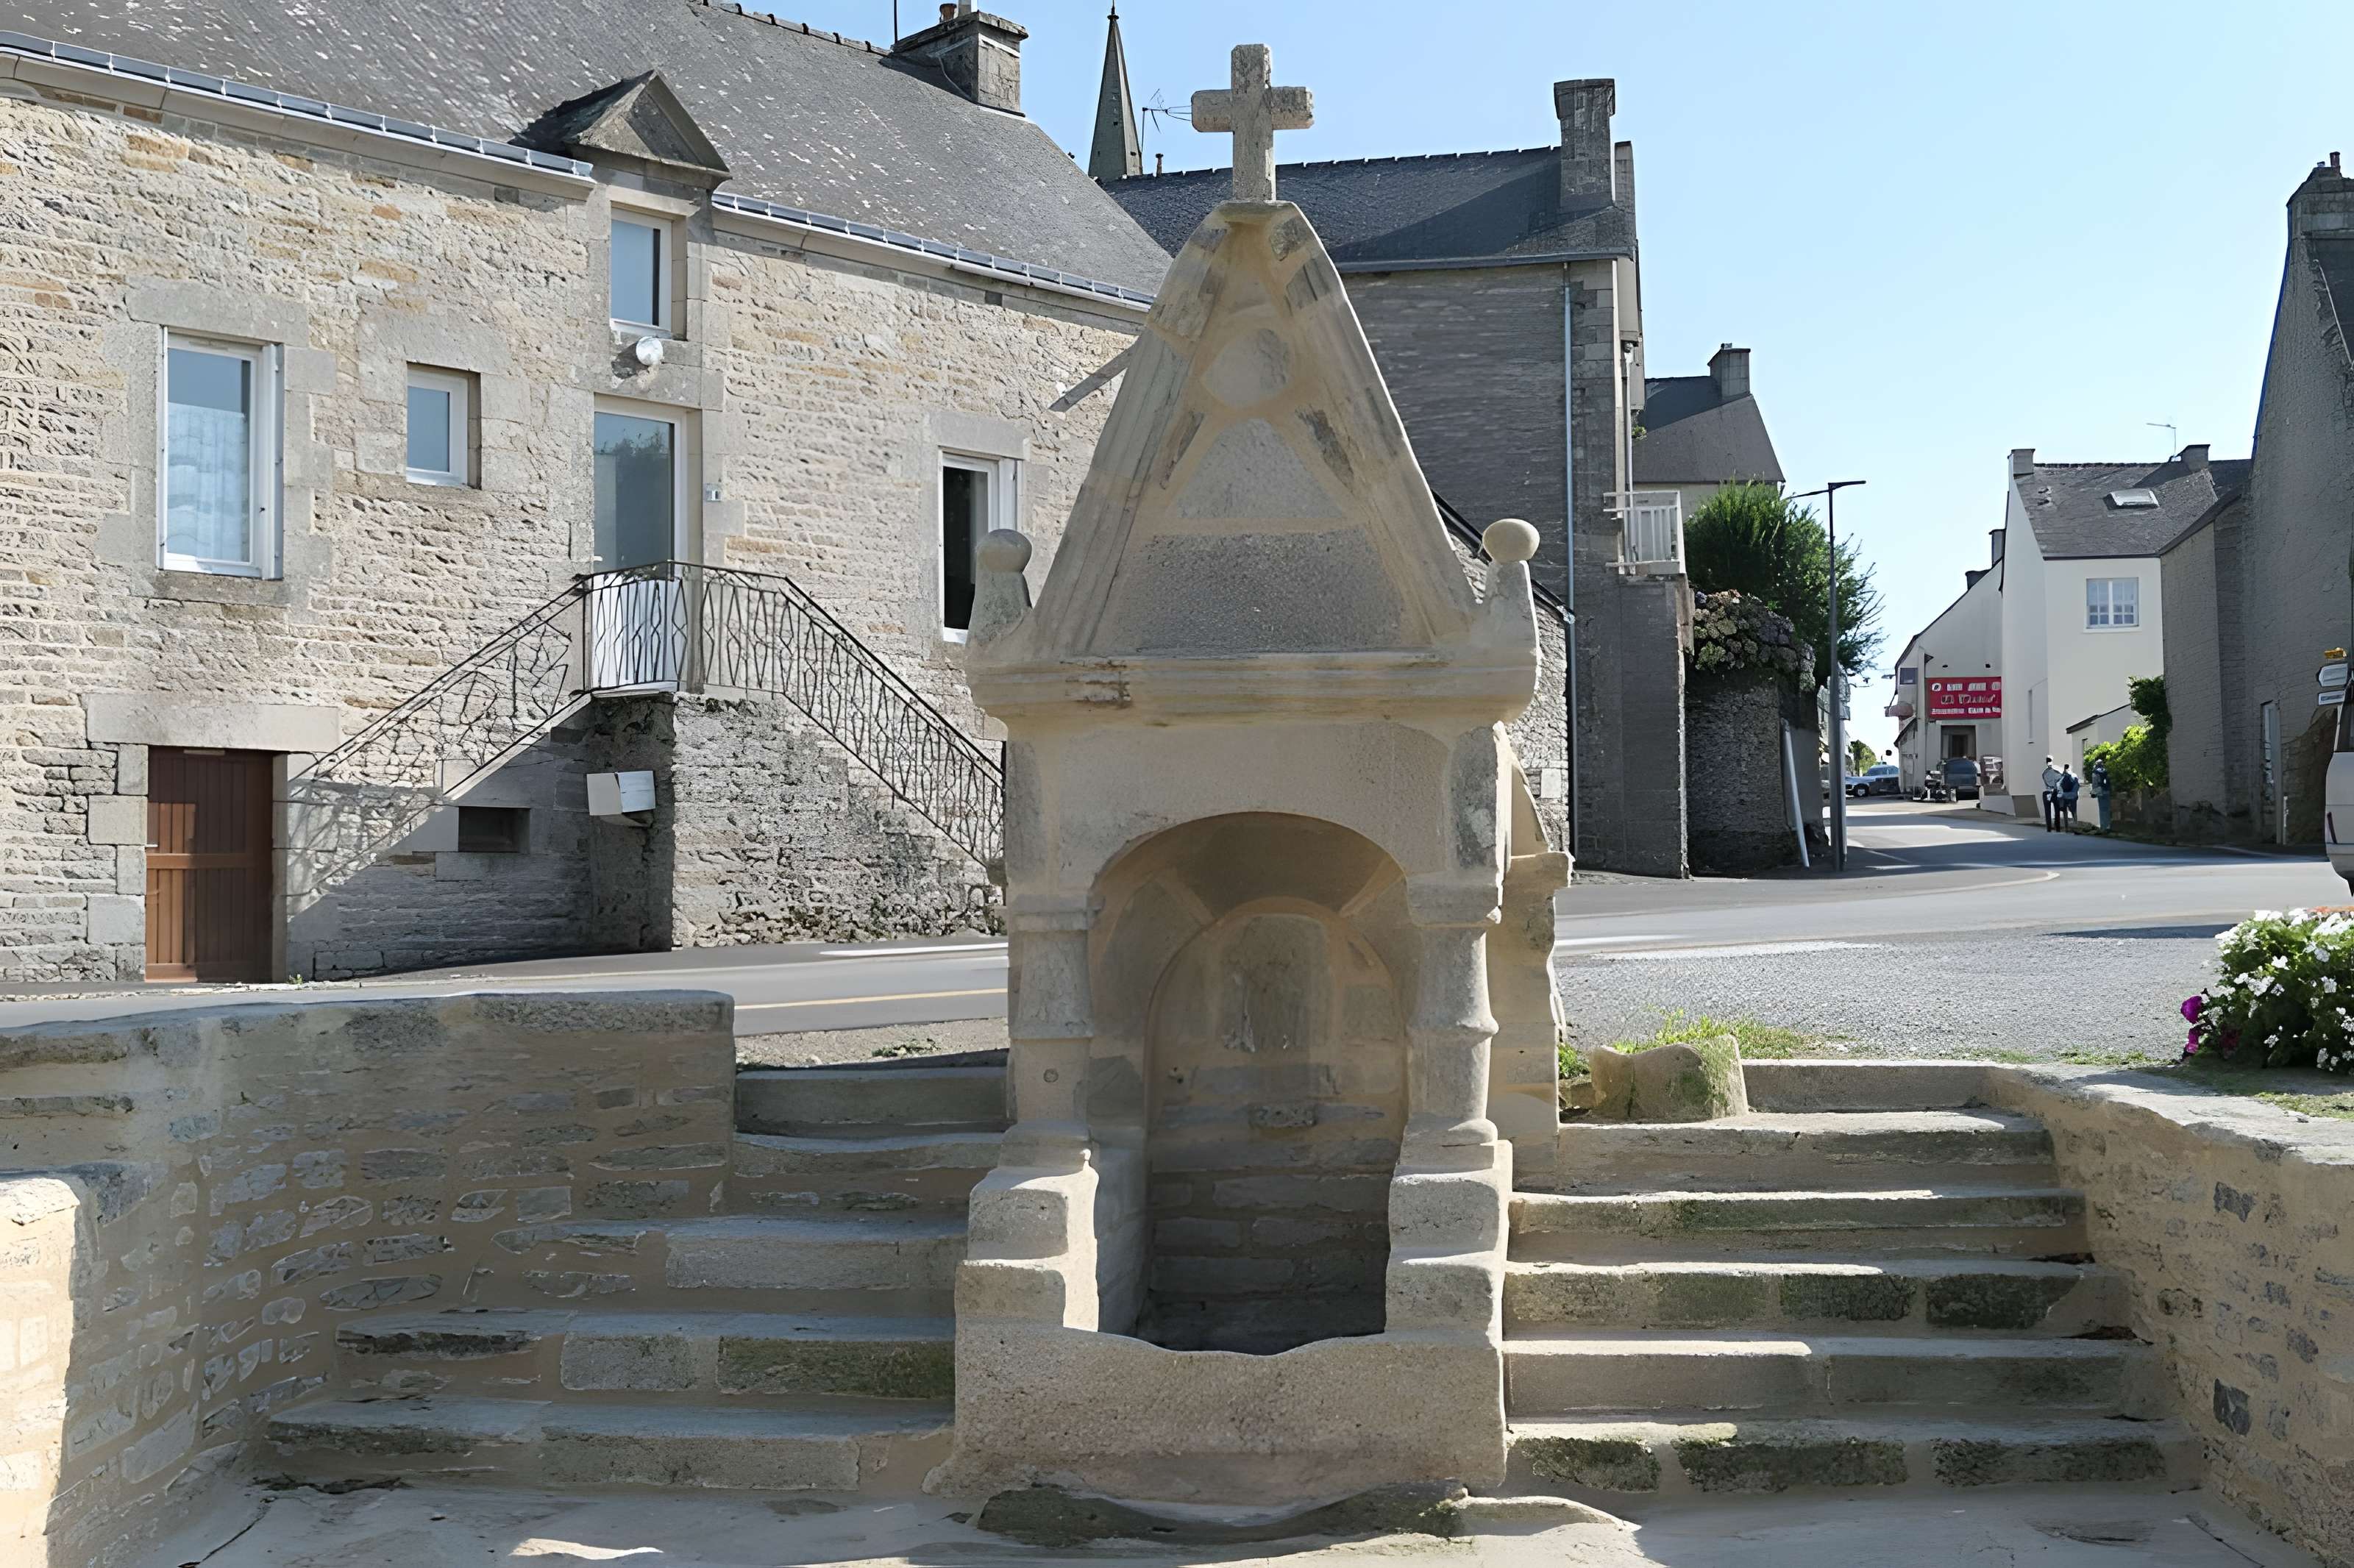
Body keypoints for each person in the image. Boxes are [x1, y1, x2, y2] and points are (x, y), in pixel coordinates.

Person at [2089, 757, 2112, 831]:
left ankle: (2103, 827)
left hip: (2100, 791)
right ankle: (2108, 826)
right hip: (2107, 791)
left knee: (2102, 809)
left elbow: (2095, 783)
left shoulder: (2095, 772)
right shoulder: (2107, 771)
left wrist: (2093, 792)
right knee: (2107, 809)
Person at [2041, 755, 2063, 831]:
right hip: (2055, 792)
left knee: (2047, 811)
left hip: (2046, 792)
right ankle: (2058, 827)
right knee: (2057, 810)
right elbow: (2060, 778)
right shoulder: (2057, 772)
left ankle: (2049, 828)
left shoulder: (2044, 772)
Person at [2058, 763, 2080, 830]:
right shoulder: (2074, 775)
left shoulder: (2062, 776)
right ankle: (2075, 823)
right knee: (2074, 810)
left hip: (2064, 796)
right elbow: (2077, 786)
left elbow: (2059, 786)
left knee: (2065, 811)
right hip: (2073, 796)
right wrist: (2075, 795)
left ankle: (2066, 827)